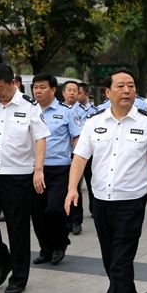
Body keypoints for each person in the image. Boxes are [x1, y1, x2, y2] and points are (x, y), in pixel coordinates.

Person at [65, 68, 147, 293]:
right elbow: (80, 158)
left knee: (121, 261)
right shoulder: (94, 121)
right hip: (101, 201)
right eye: (121, 86)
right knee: (111, 260)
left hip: (131, 203)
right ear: (108, 92)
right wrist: (71, 190)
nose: (127, 90)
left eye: (131, 86)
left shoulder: (146, 123)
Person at [0, 64, 49, 293]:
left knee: (17, 228)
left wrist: (38, 170)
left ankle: (19, 278)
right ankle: (3, 261)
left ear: (13, 83)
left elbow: (41, 138)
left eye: (1, 88)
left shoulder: (30, 107)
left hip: (18, 176)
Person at [31, 73, 81, 265]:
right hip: (35, 169)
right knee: (38, 213)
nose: (38, 91)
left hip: (59, 168)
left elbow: (77, 138)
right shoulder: (29, 111)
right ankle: (46, 249)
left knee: (54, 209)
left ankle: (60, 243)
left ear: (53, 90)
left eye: (42, 87)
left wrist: (78, 161)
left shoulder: (66, 112)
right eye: (35, 87)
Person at [61, 80, 86, 235]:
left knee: (75, 187)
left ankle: (76, 221)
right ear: (63, 92)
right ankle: (66, 220)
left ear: (79, 93)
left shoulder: (84, 111)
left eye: (74, 90)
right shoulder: (58, 109)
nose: (71, 93)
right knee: (64, 190)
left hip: (77, 154)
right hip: (62, 155)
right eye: (68, 90)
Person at [75, 82, 99, 223]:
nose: (76, 95)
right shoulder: (72, 110)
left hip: (92, 153)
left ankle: (94, 209)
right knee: (76, 184)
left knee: (91, 182)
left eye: (79, 92)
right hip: (77, 152)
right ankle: (76, 215)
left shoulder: (95, 111)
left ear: (86, 95)